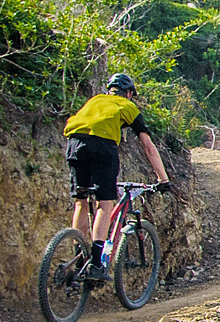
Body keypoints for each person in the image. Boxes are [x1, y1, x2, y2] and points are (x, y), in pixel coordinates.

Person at [63, 71, 169, 280]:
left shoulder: (94, 101)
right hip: (102, 147)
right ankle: (95, 264)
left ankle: (78, 259)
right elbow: (147, 146)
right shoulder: (127, 106)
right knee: (105, 203)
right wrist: (163, 179)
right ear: (129, 93)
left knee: (81, 202)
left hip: (74, 145)